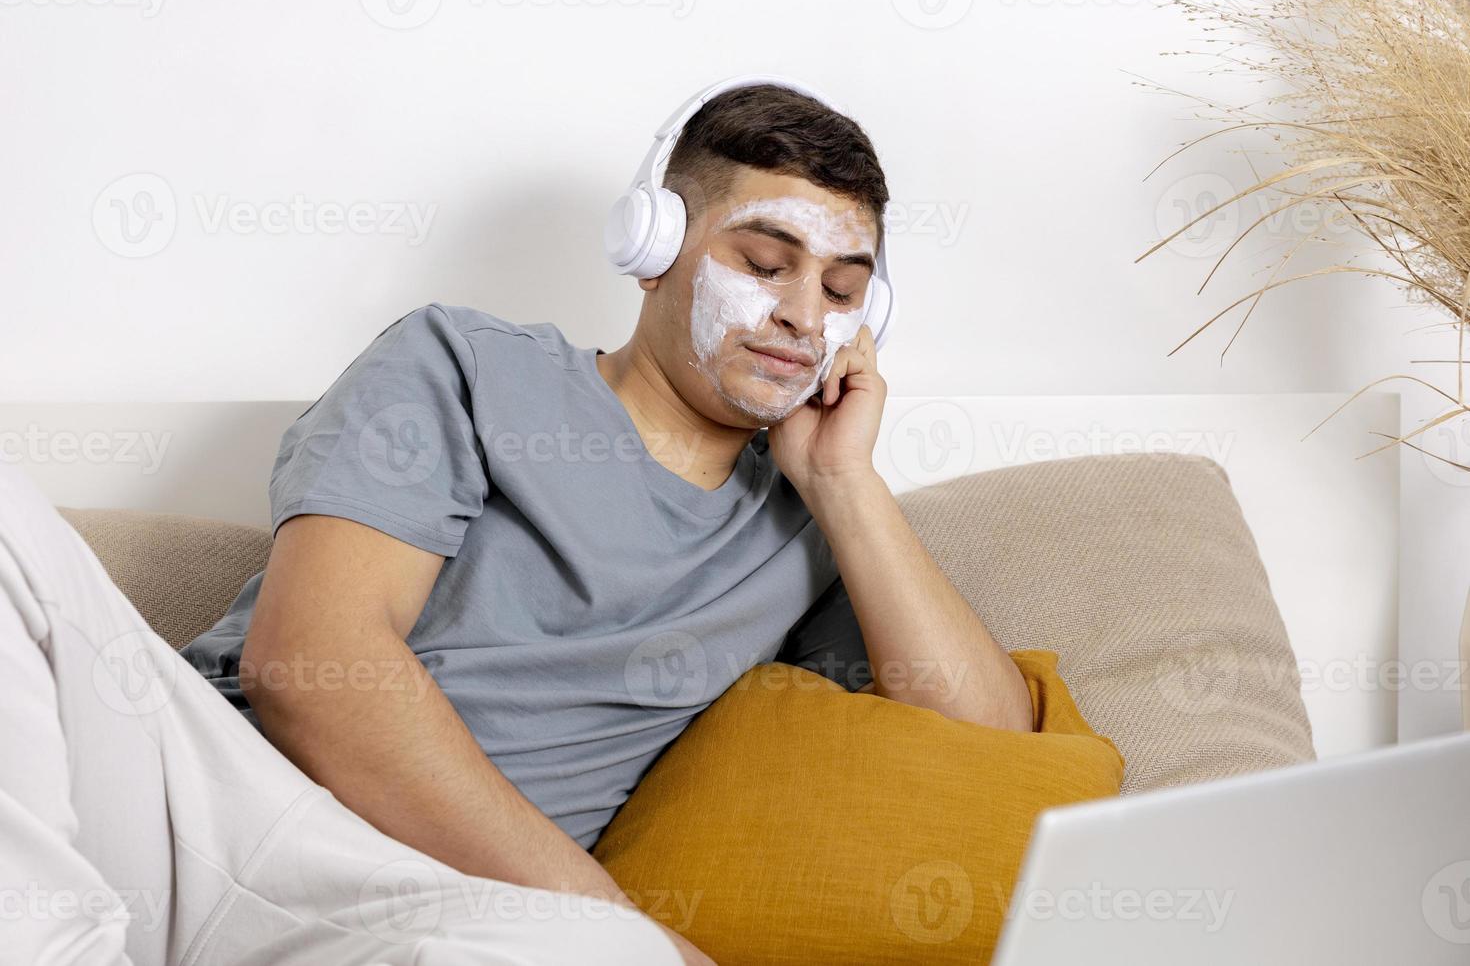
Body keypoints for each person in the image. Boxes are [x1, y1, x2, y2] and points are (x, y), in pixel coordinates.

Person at [2, 80, 1031, 965]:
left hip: (440, 916)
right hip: (200, 794)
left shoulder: (810, 520)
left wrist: (845, 483)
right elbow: (307, 665)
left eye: (844, 290)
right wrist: (617, 915)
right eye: (764, 263)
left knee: (602, 953)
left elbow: (989, 741)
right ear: (654, 246)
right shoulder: (461, 362)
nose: (806, 315)